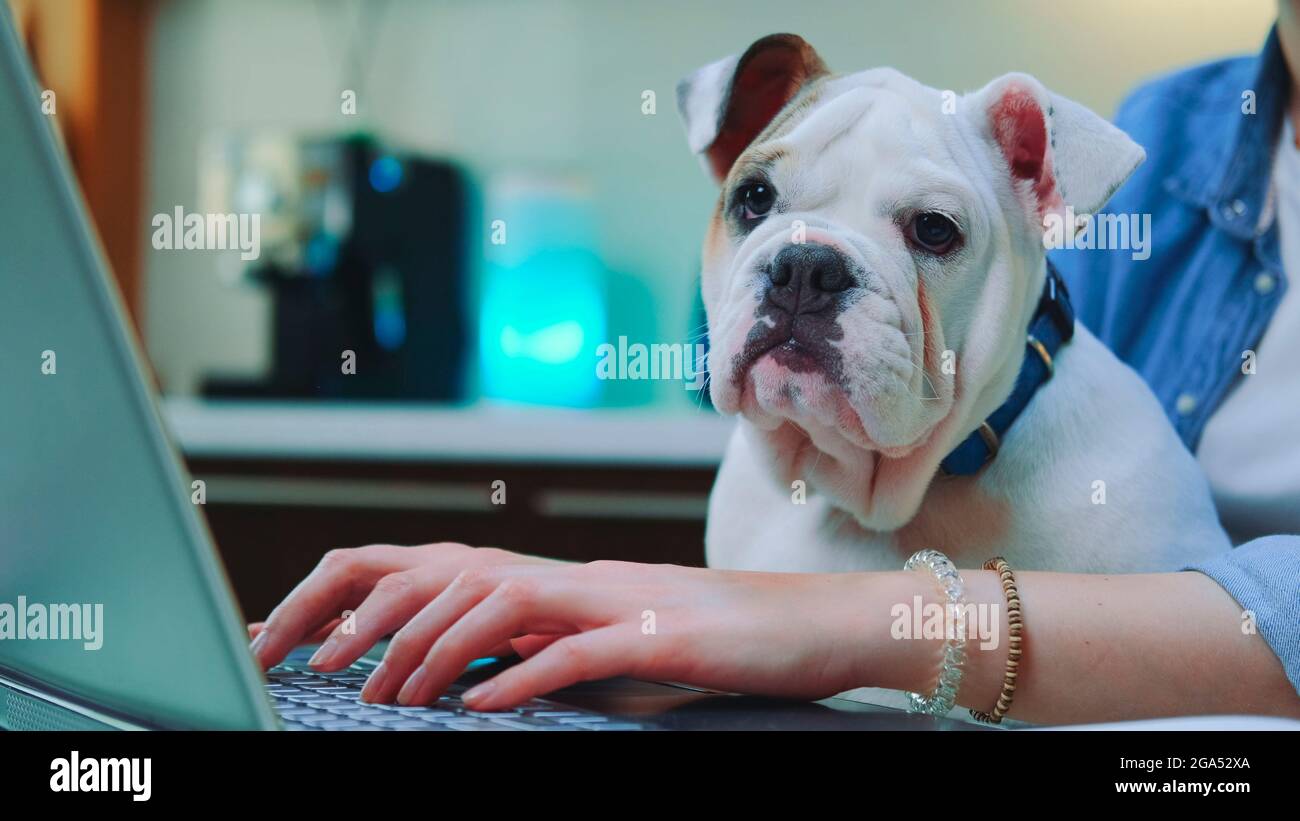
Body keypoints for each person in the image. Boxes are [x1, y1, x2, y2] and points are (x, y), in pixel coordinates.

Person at [247, 7, 1300, 724]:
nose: (803, 271)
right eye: (759, 201)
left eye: (930, 230)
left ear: (1040, 195)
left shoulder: (1122, 489)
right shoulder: (1184, 127)